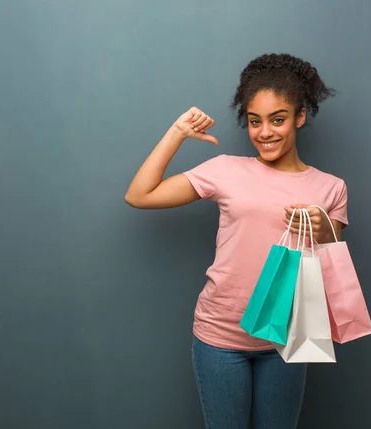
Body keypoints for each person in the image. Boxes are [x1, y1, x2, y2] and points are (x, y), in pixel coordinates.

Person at [125, 53, 348, 429]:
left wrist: (321, 225)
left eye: (277, 119)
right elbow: (140, 195)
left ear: (299, 116)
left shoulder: (330, 187)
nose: (265, 132)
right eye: (254, 121)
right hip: (220, 339)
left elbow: (331, 253)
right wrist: (177, 133)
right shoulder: (226, 169)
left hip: (286, 341)